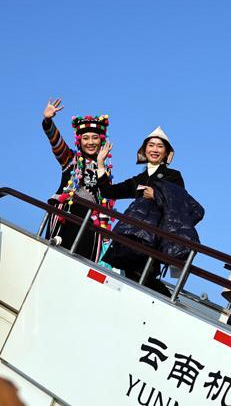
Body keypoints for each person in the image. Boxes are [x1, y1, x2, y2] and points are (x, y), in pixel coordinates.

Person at [97, 127, 202, 296]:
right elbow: (109, 192)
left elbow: (178, 205)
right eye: (151, 145)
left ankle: (169, 303)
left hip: (154, 239)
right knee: (133, 278)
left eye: (160, 146)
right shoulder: (139, 179)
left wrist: (156, 194)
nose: (155, 149)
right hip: (132, 237)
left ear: (166, 152)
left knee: (146, 277)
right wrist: (100, 164)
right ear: (144, 150)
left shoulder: (174, 176)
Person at [41, 98, 115, 262]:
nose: (90, 142)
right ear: (79, 141)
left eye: (95, 138)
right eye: (86, 138)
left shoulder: (105, 170)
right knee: (56, 258)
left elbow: (107, 198)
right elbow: (56, 143)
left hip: (91, 224)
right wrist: (48, 121)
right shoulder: (70, 159)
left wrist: (101, 164)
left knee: (83, 264)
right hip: (67, 216)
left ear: (101, 141)